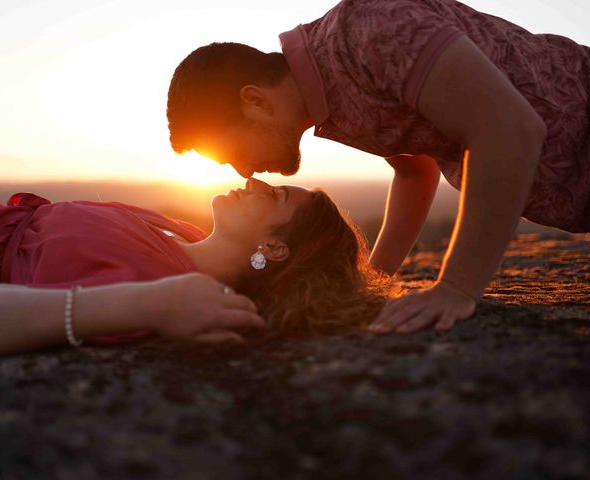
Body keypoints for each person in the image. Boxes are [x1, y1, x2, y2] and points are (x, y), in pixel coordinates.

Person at [166, 0, 589, 335]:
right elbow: (414, 170)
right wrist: (374, 279)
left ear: (255, 101)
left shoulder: (369, 30)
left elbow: (510, 128)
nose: (244, 171)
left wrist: (458, 287)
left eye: (231, 152)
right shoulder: (327, 100)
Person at [0, 178, 385, 356]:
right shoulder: (180, 232)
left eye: (275, 196)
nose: (254, 181)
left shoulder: (160, 288)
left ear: (273, 247)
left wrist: (148, 303)